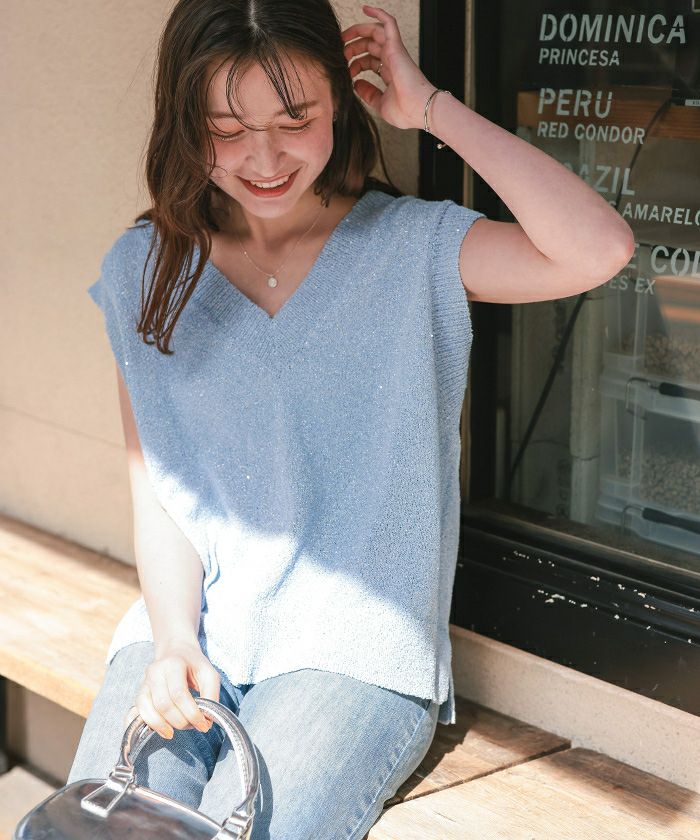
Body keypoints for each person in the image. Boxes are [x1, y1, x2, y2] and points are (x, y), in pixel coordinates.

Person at [67, 1, 634, 838]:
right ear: (185, 125)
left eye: (295, 119)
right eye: (227, 129)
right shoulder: (146, 270)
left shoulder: (411, 249)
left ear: (340, 99)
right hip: (189, 632)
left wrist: (430, 108)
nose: (265, 159)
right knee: (100, 830)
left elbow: (598, 249)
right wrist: (172, 639)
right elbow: (162, 493)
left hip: (353, 653)